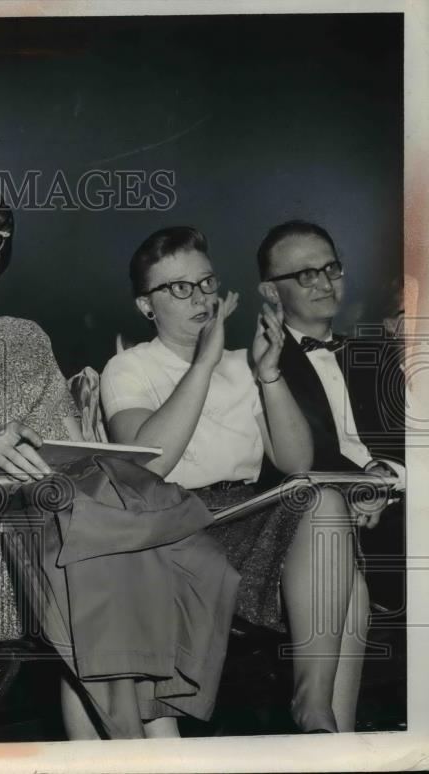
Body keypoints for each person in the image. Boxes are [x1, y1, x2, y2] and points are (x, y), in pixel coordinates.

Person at [0, 176, 240, 740]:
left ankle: (149, 749)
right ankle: (151, 749)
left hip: (78, 533)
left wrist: (90, 427)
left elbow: (82, 455)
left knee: (128, 552)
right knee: (112, 566)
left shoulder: (27, 337)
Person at [101, 225, 367, 733]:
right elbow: (149, 464)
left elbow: (294, 463)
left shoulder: (244, 363)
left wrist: (268, 374)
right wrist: (203, 361)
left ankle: (313, 708)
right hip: (175, 528)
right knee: (349, 586)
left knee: (326, 501)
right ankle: (333, 729)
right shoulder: (129, 368)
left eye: (205, 283)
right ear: (145, 305)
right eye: (178, 287)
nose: (199, 297)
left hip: (244, 518)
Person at [256, 220, 405, 607]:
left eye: (331, 268)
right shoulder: (259, 366)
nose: (325, 283)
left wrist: (387, 475)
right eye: (306, 274)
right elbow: (289, 466)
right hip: (322, 522)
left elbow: (411, 440)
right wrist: (359, 487)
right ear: (272, 291)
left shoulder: (380, 356)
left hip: (396, 507)